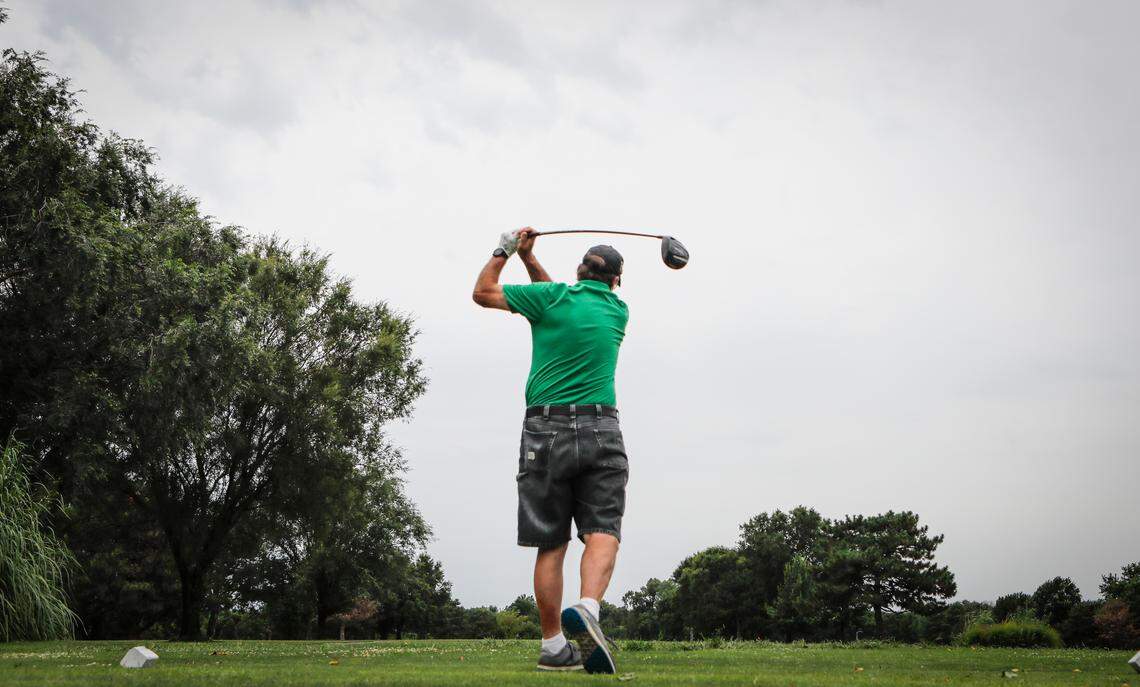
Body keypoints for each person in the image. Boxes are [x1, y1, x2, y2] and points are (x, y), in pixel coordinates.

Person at [472, 227, 629, 673]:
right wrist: (530, 257)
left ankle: (553, 646)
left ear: (579, 271)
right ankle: (588, 609)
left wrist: (507, 248)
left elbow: (483, 292)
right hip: (602, 426)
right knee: (603, 529)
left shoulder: (553, 299)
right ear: (615, 282)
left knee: (551, 543)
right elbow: (555, 293)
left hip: (545, 428)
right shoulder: (618, 310)